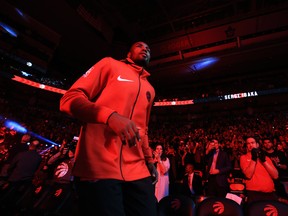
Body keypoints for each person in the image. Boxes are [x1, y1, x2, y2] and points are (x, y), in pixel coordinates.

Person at [60, 41, 158, 216]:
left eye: (148, 49)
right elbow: (69, 99)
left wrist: (149, 160)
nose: (145, 49)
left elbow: (144, 128)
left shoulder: (150, 89)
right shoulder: (109, 64)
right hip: (99, 165)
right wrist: (109, 116)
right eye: (140, 46)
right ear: (128, 53)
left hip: (137, 169)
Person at [240, 136, 279, 204]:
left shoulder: (266, 158)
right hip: (254, 193)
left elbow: (275, 176)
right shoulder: (243, 157)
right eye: (248, 143)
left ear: (257, 144)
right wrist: (254, 159)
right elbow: (248, 175)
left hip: (270, 193)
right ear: (246, 146)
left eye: (252, 142)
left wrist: (264, 161)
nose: (250, 145)